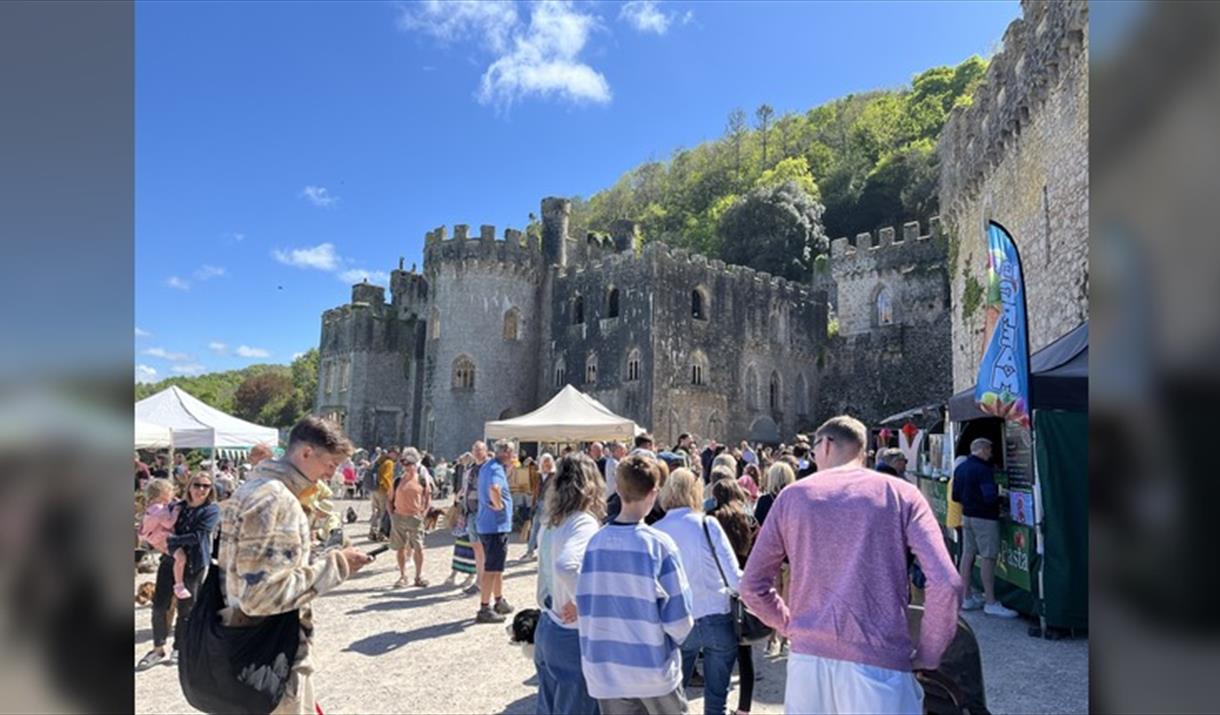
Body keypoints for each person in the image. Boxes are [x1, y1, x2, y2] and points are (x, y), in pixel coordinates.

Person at [740, 415, 961, 715]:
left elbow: (752, 585)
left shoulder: (793, 496)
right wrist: (929, 652)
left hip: (808, 666)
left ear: (826, 445)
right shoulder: (901, 494)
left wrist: (789, 625)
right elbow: (946, 582)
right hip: (880, 663)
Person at [215, 416, 372, 714]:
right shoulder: (275, 498)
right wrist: (338, 565)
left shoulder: (253, 488)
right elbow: (258, 596)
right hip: (272, 655)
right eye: (331, 464)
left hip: (245, 645)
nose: (332, 473)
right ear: (306, 453)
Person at [577, 455, 694, 714]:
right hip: (653, 670)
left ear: (618, 490)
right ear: (654, 492)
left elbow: (585, 605)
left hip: (606, 671)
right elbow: (680, 619)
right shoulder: (659, 545)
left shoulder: (594, 544)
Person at [653, 469, 739, 715]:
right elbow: (734, 578)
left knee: (673, 701)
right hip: (716, 613)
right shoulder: (707, 524)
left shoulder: (656, 531)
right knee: (717, 702)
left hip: (677, 622)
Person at [533, 453, 605, 715]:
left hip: (549, 626)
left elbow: (547, 572)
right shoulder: (582, 522)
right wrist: (583, 601)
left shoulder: (551, 521)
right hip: (571, 634)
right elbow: (566, 567)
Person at [135, 472, 221, 671]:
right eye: (197, 485)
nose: (201, 489)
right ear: (189, 486)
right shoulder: (176, 506)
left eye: (206, 486)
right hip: (169, 559)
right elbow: (154, 521)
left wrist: (170, 541)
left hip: (194, 563)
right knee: (159, 605)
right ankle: (158, 649)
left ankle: (179, 648)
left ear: (211, 490)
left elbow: (198, 536)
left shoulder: (211, 510)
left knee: (186, 609)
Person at [708, 479, 760, 715]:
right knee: (744, 653)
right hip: (743, 585)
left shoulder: (712, 519)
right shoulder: (749, 520)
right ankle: (744, 709)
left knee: (719, 654)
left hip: (719, 589)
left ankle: (720, 702)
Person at [953, 438, 1017, 618]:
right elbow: (989, 497)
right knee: (989, 557)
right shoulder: (984, 470)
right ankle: (990, 601)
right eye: (989, 449)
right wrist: (1002, 500)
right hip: (985, 518)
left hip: (967, 516)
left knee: (967, 554)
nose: (991, 453)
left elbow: (955, 496)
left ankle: (966, 597)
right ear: (982, 450)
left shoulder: (960, 468)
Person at [475, 439, 515, 622]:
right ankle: (484, 608)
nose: (513, 456)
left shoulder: (487, 466)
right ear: (505, 452)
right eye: (512, 452)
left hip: (489, 525)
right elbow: (494, 488)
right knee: (491, 569)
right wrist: (498, 506)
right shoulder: (496, 469)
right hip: (495, 526)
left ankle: (499, 600)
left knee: (497, 567)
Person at [138, 478, 192, 600]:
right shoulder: (159, 508)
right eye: (170, 492)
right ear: (162, 493)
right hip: (161, 537)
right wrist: (176, 511)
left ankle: (178, 585)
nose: (172, 495)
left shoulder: (152, 507)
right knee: (181, 558)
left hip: (154, 537)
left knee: (177, 557)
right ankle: (179, 585)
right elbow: (168, 523)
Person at [388, 447, 432, 588]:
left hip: (415, 518)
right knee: (400, 548)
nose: (406, 467)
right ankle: (403, 576)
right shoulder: (397, 481)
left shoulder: (422, 480)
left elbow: (428, 498)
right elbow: (389, 499)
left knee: (418, 548)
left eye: (409, 464)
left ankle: (418, 576)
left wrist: (423, 514)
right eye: (404, 465)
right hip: (399, 517)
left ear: (415, 465)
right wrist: (392, 515)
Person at [463, 442, 489, 596]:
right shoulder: (471, 468)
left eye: (480, 450)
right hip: (471, 512)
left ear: (486, 451)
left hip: (484, 513)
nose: (477, 452)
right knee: (476, 548)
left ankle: (482, 581)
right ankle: (479, 580)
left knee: (483, 548)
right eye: (475, 450)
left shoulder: (489, 468)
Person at [524, 452, 556, 561]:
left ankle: (544, 552)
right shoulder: (538, 475)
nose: (547, 465)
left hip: (549, 505)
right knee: (534, 529)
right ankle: (530, 551)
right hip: (538, 504)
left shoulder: (555, 476)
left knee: (547, 529)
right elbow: (534, 490)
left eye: (548, 462)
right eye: (545, 462)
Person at [369, 446, 398, 541]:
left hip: (374, 489)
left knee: (376, 512)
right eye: (395, 454)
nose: (396, 456)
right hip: (382, 490)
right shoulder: (389, 463)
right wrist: (390, 490)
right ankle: (380, 534)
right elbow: (386, 478)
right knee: (383, 512)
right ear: (391, 453)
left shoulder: (379, 460)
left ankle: (373, 532)